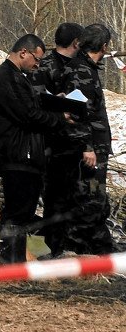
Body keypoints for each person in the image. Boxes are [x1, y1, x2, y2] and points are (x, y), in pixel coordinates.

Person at [0, 34, 70, 263]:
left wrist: (55, 102)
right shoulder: (7, 78)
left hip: (25, 154)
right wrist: (60, 117)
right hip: (17, 154)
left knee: (23, 211)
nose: (37, 65)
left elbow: (31, 106)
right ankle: (10, 262)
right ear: (23, 52)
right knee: (17, 211)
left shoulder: (18, 78)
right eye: (36, 59)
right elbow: (28, 115)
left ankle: (15, 261)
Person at [51, 23, 115, 255]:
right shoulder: (82, 71)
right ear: (104, 46)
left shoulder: (82, 68)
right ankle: (80, 250)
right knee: (90, 201)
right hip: (88, 150)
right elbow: (75, 113)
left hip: (92, 147)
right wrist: (87, 147)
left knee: (94, 200)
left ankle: (96, 250)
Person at [31, 22, 83, 255]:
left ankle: (67, 243)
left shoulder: (74, 65)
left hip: (72, 141)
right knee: (55, 197)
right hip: (53, 142)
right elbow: (37, 102)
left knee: (71, 196)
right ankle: (55, 247)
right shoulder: (47, 66)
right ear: (76, 42)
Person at [31, 22, 84, 94]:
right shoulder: (42, 68)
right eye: (82, 42)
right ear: (76, 42)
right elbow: (36, 100)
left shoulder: (82, 66)